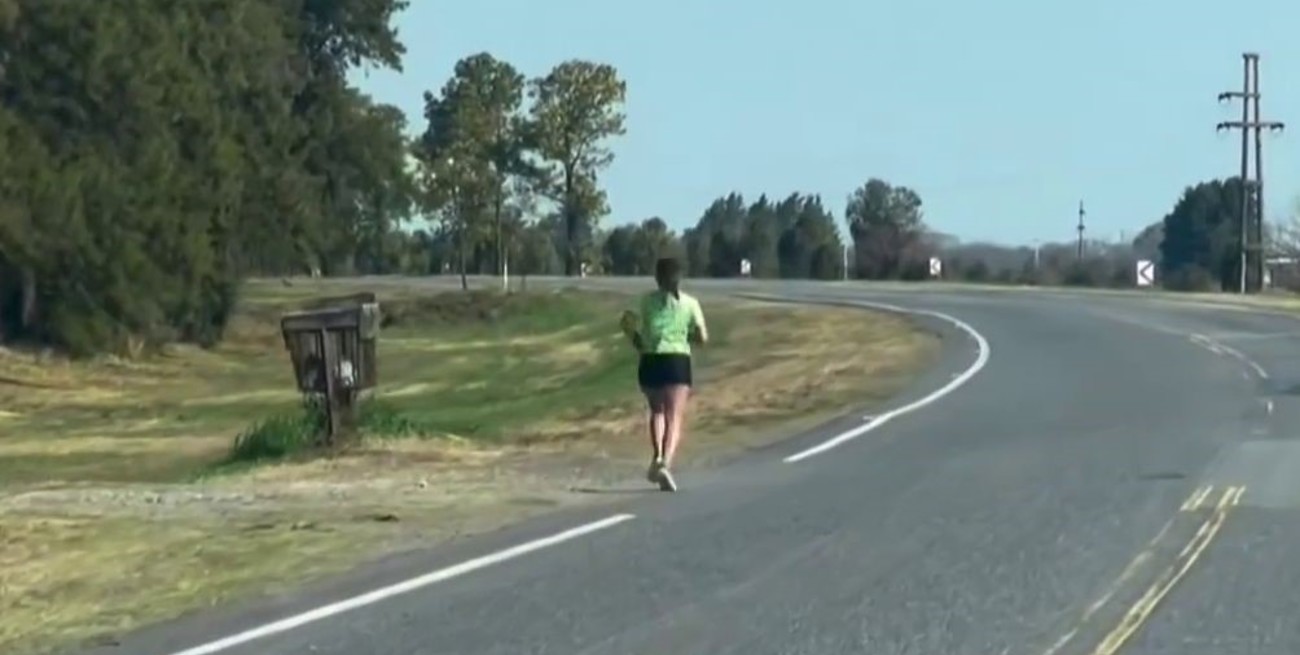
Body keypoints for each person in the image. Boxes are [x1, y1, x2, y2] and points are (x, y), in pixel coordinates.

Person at [630, 257, 707, 491]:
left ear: (657, 278)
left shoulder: (646, 301)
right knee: (675, 416)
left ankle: (657, 454)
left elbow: (631, 327)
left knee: (657, 411)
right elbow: (703, 337)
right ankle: (666, 462)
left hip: (652, 359)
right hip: (677, 360)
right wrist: (686, 336)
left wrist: (636, 340)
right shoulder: (690, 304)